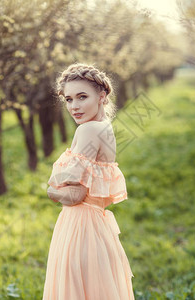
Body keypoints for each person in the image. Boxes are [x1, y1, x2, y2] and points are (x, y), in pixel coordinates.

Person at [43, 63, 135, 300]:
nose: (74, 106)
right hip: (96, 225)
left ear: (102, 96)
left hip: (80, 227)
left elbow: (75, 195)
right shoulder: (104, 127)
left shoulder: (87, 130)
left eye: (82, 97)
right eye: (69, 99)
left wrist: (50, 191)